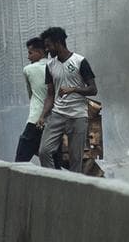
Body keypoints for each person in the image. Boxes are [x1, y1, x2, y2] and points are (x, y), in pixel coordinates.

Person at [37, 27, 96, 173]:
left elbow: (93, 89)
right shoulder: (50, 66)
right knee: (44, 151)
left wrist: (73, 89)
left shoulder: (80, 61)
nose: (46, 49)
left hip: (78, 116)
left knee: (76, 160)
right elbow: (50, 95)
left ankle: (73, 191)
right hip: (57, 114)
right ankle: (53, 181)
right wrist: (43, 116)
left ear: (58, 43)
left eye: (48, 45)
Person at [14, 37, 47, 163]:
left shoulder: (29, 70)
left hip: (35, 120)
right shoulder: (56, 66)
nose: (28, 57)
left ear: (40, 52)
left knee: (20, 162)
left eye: (30, 53)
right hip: (56, 121)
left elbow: (31, 95)